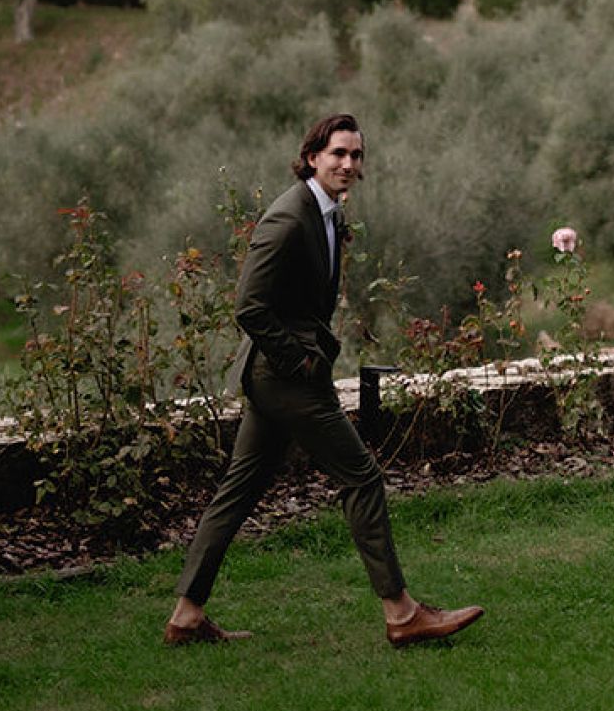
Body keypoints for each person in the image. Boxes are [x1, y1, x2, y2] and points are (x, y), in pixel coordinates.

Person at [165, 112, 485, 650]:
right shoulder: (289, 218)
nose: (349, 164)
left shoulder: (327, 213)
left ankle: (187, 615)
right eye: (338, 153)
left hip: (277, 376)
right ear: (313, 156)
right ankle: (402, 613)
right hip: (285, 377)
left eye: (357, 155)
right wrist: (302, 363)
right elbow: (249, 305)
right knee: (361, 477)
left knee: (237, 492)